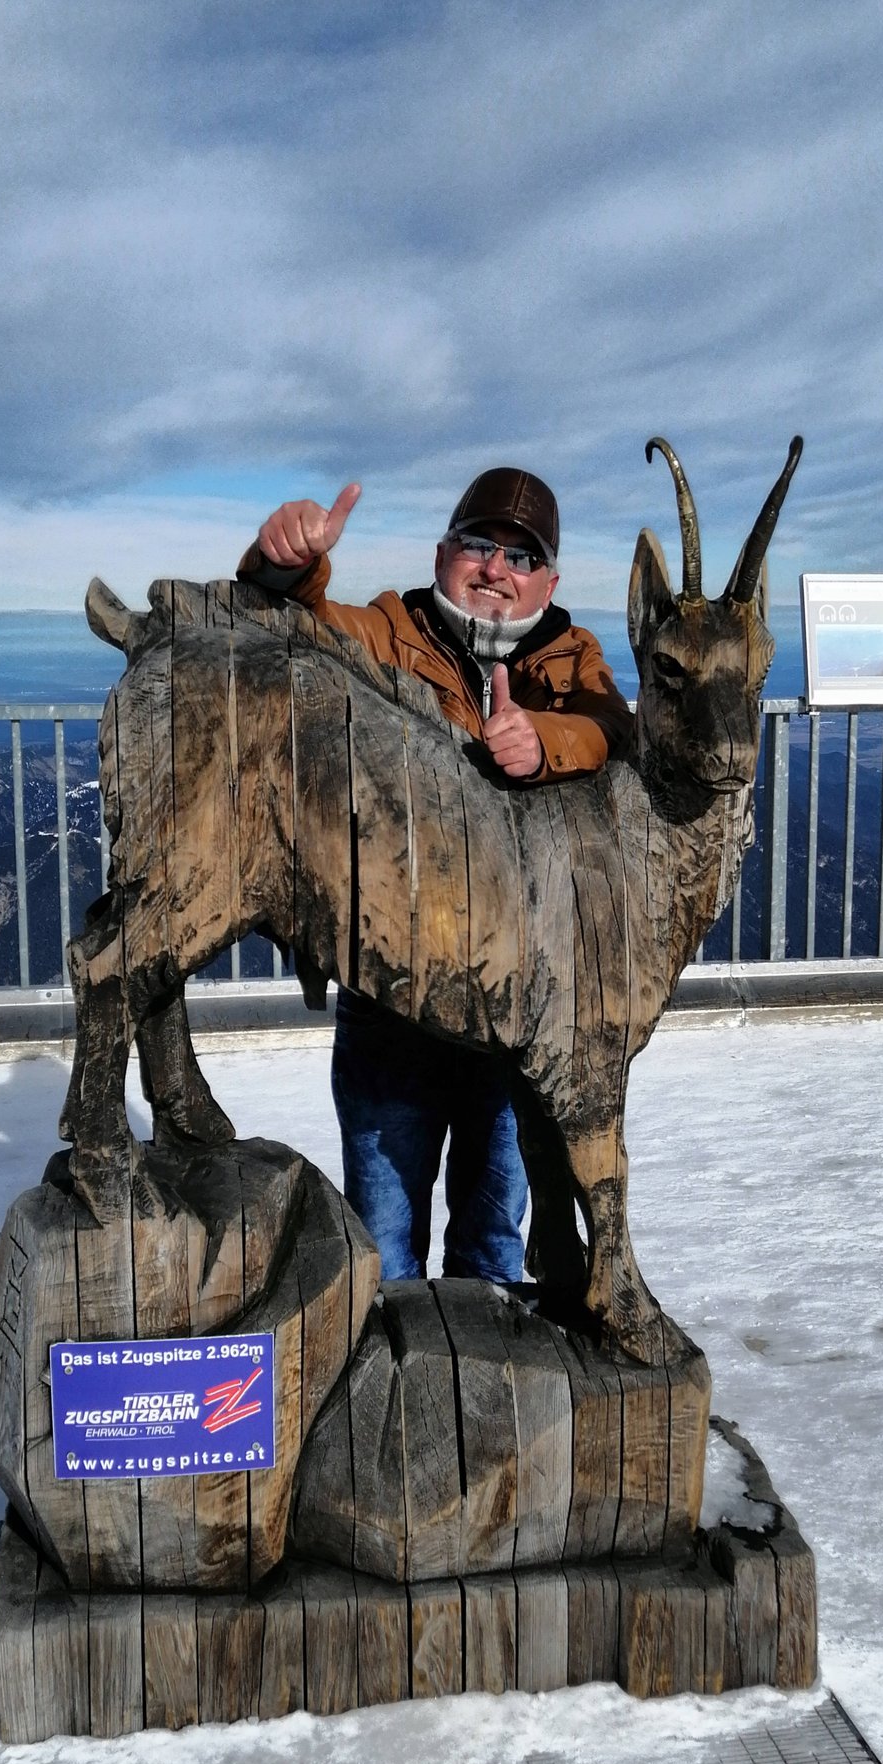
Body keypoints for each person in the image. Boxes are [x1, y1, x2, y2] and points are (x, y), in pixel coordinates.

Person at [237, 467, 631, 1286]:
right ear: (443, 553)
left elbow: (610, 727)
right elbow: (290, 625)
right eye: (480, 545)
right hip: (393, 996)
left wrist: (544, 741)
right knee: (384, 1253)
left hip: (519, 1012)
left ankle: (479, 1371)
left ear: (549, 583)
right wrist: (283, 565)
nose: (497, 569)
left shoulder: (573, 657)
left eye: (522, 557)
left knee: (491, 1249)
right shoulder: (388, 629)